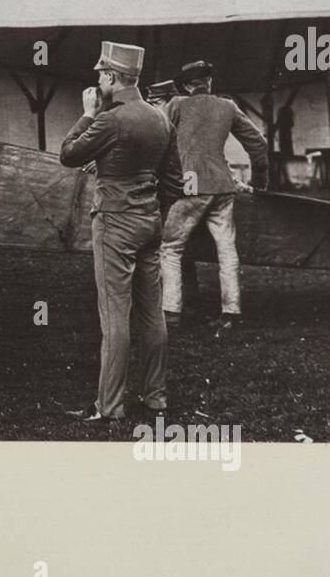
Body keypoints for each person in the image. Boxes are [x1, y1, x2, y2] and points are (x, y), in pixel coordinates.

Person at [59, 42, 185, 422]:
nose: (98, 80)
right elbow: (175, 182)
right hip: (150, 222)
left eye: (101, 75)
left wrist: (86, 115)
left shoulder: (109, 119)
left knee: (115, 316)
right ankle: (156, 397)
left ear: (112, 78)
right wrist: (150, 207)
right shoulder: (161, 118)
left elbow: (68, 154)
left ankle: (109, 406)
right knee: (151, 313)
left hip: (115, 222)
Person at [158, 59, 269, 330]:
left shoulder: (175, 105)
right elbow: (258, 144)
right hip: (223, 185)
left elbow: (156, 140)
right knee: (227, 251)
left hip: (191, 185)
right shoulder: (227, 106)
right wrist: (259, 182)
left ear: (185, 86)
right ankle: (231, 313)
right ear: (209, 82)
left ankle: (170, 312)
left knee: (170, 248)